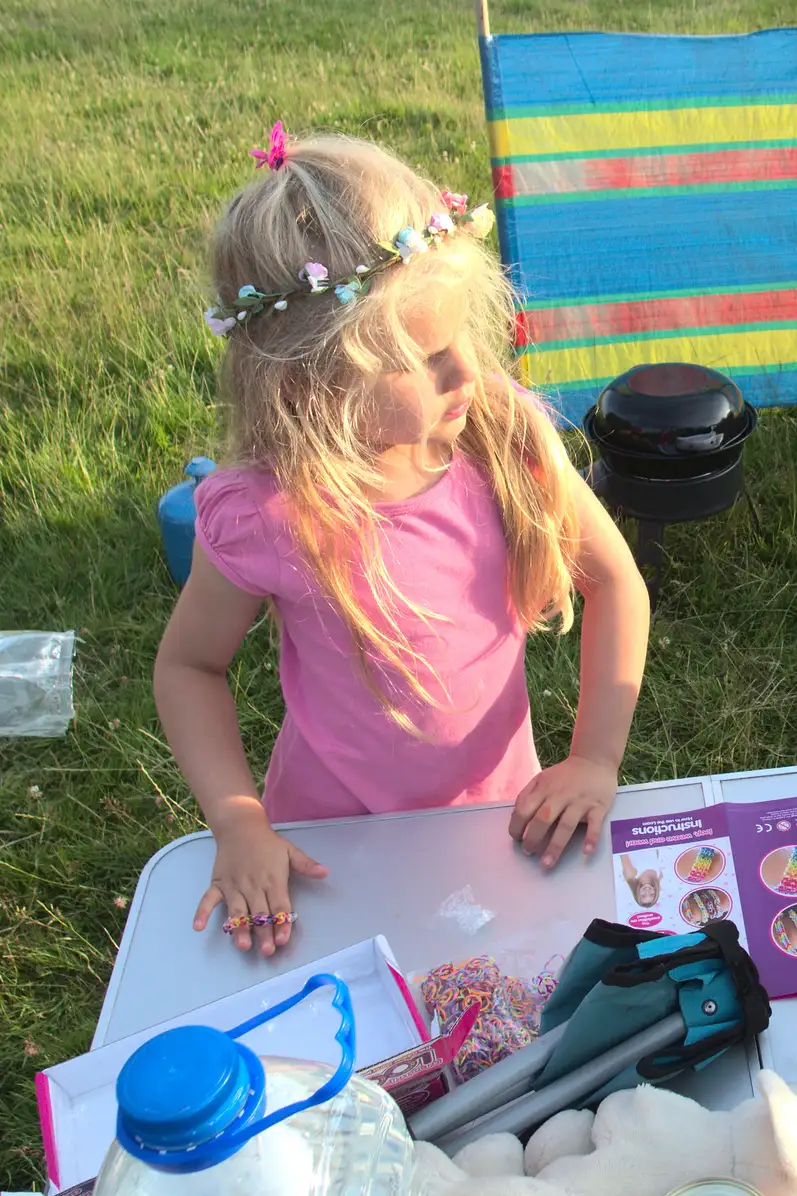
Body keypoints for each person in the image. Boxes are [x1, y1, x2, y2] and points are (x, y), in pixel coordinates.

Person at [153, 129, 650, 958]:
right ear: (313, 380)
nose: (467, 373)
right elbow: (187, 666)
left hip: (503, 819)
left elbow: (615, 582)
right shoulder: (268, 511)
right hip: (328, 846)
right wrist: (239, 822)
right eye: (424, 360)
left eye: (462, 338)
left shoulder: (501, 435)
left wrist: (594, 759)